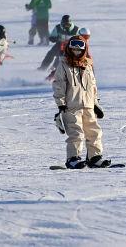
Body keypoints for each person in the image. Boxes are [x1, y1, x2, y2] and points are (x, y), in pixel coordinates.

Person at [53, 35, 110, 168]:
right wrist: (61, 104)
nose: (77, 50)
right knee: (76, 133)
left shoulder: (88, 65)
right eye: (74, 47)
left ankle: (94, 157)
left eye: (80, 48)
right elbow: (59, 84)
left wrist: (95, 103)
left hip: (88, 105)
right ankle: (73, 158)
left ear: (84, 49)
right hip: (71, 106)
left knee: (94, 131)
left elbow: (93, 86)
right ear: (69, 48)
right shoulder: (63, 64)